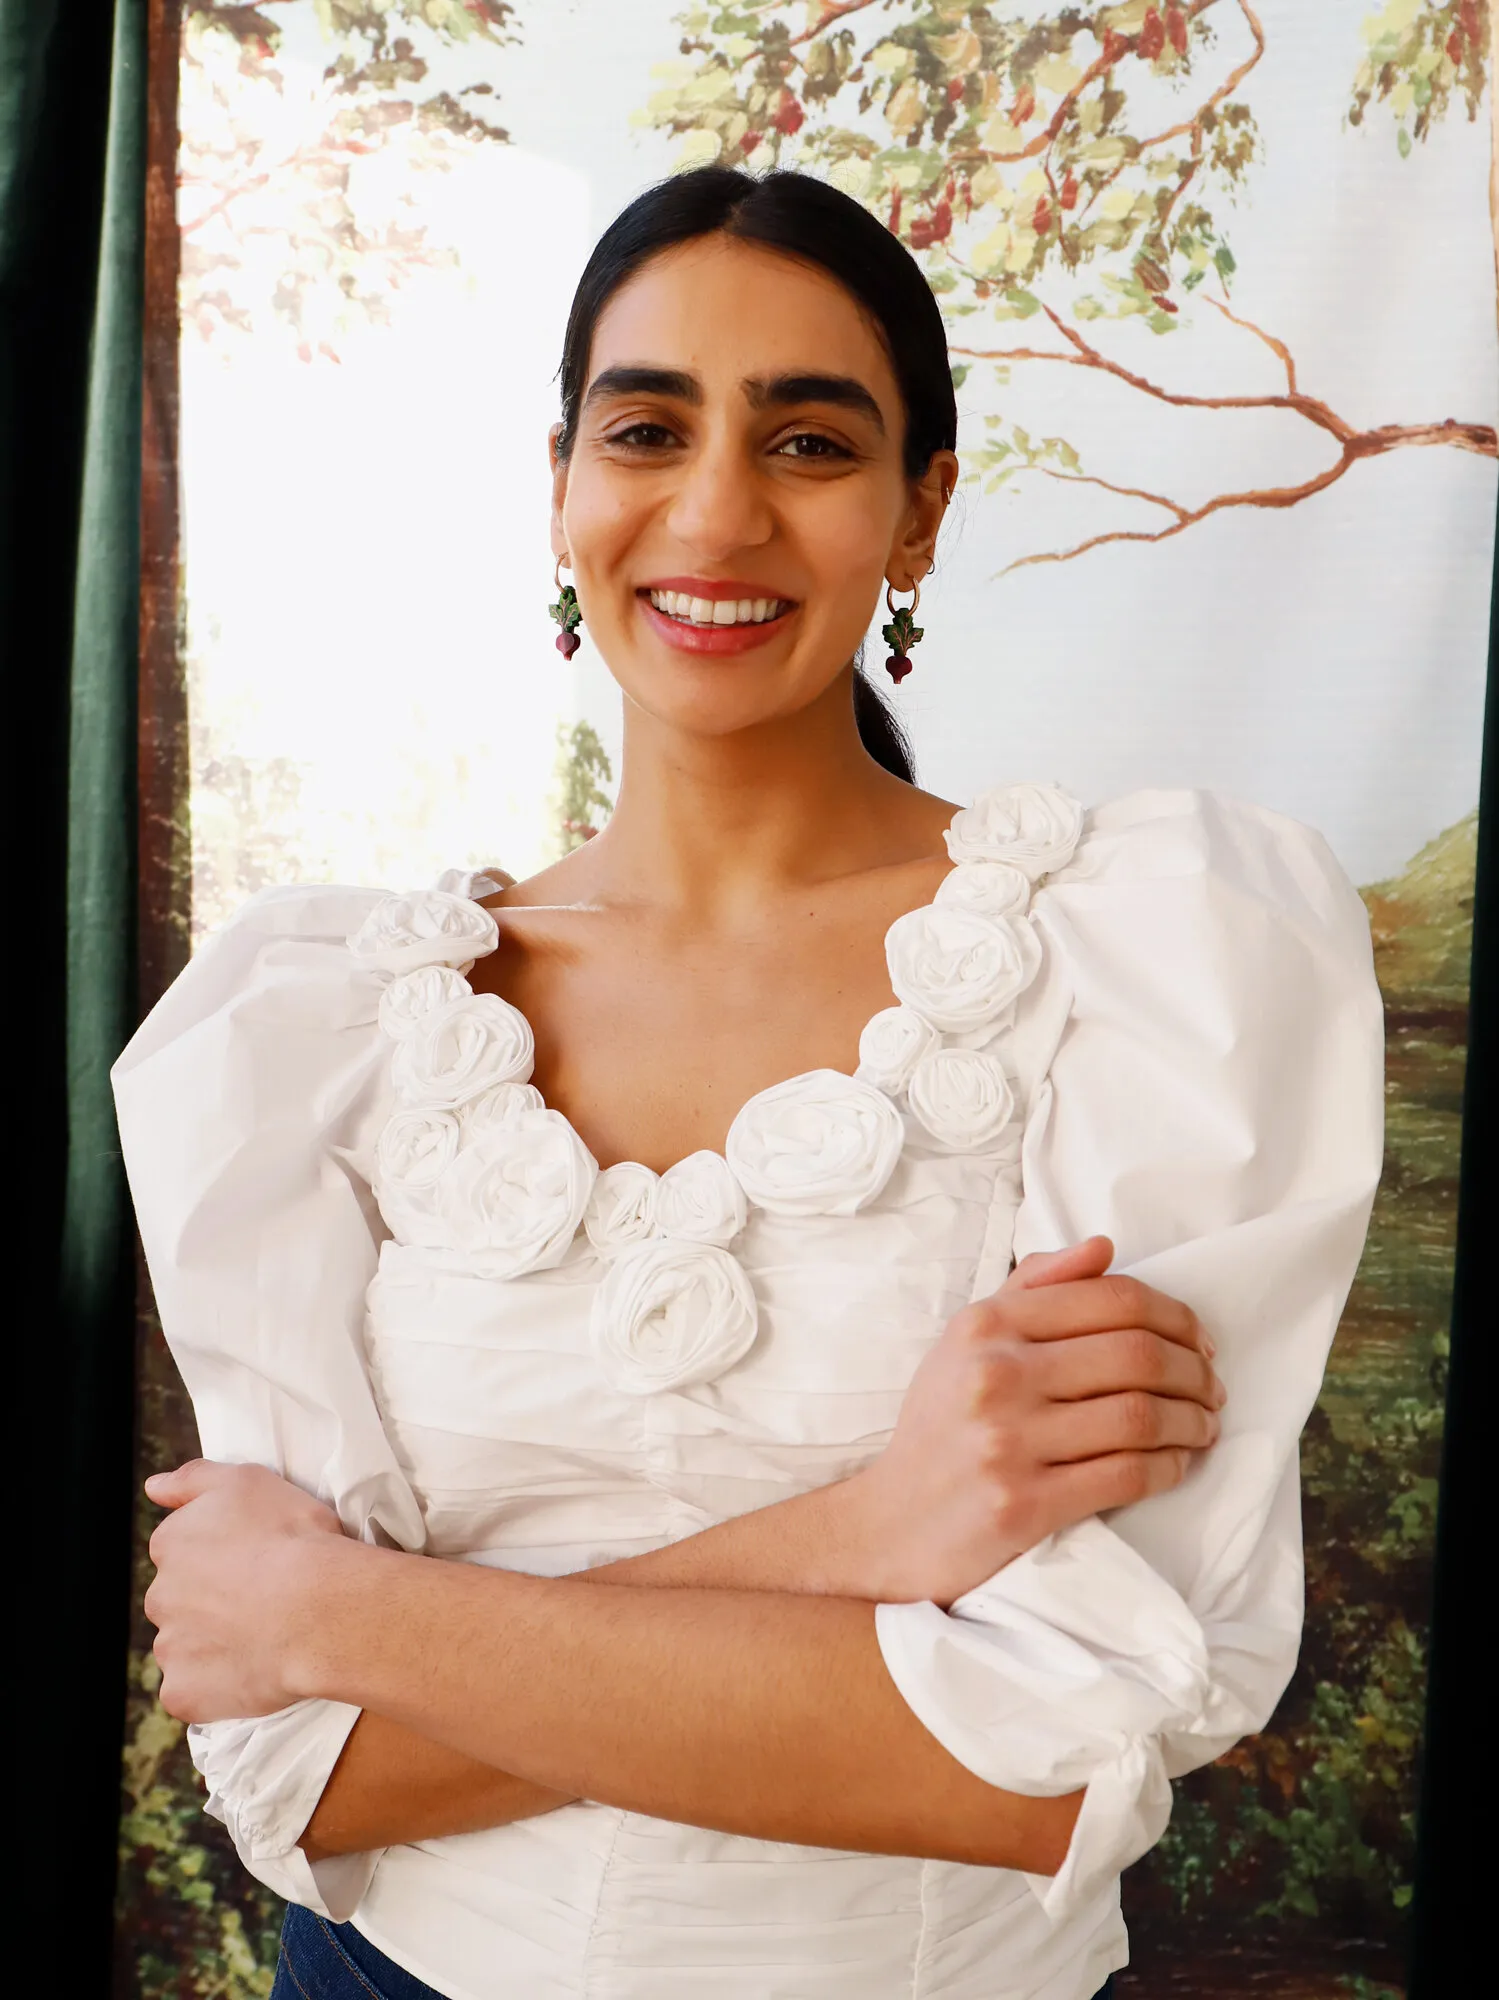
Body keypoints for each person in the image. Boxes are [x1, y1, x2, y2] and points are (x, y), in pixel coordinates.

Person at [119, 167, 1384, 2000]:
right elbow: (308, 1785)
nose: (713, 513)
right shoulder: (326, 1024)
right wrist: (867, 1543)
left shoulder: (1151, 959)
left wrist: (343, 1613)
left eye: (807, 441)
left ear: (917, 510)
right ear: (560, 484)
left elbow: (1036, 1759)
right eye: (646, 428)